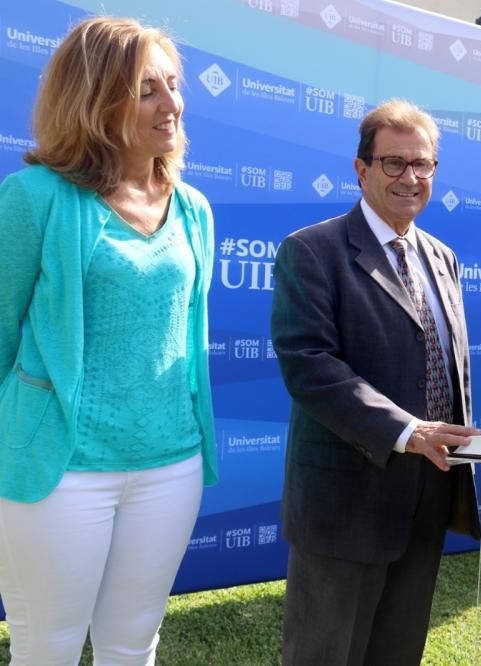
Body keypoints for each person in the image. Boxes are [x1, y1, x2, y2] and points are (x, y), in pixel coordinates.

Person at [0, 17, 218, 664]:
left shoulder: (194, 208)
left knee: (133, 643)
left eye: (173, 85)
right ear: (96, 99)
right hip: (59, 467)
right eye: (147, 88)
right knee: (50, 646)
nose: (171, 103)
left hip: (170, 464)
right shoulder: (33, 197)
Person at [270, 99, 481, 665]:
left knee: (397, 653)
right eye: (393, 163)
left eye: (423, 164)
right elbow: (309, 364)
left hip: (427, 496)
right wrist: (407, 430)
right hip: (345, 504)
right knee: (325, 656)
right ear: (361, 170)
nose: (410, 177)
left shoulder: (443, 257)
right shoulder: (312, 251)